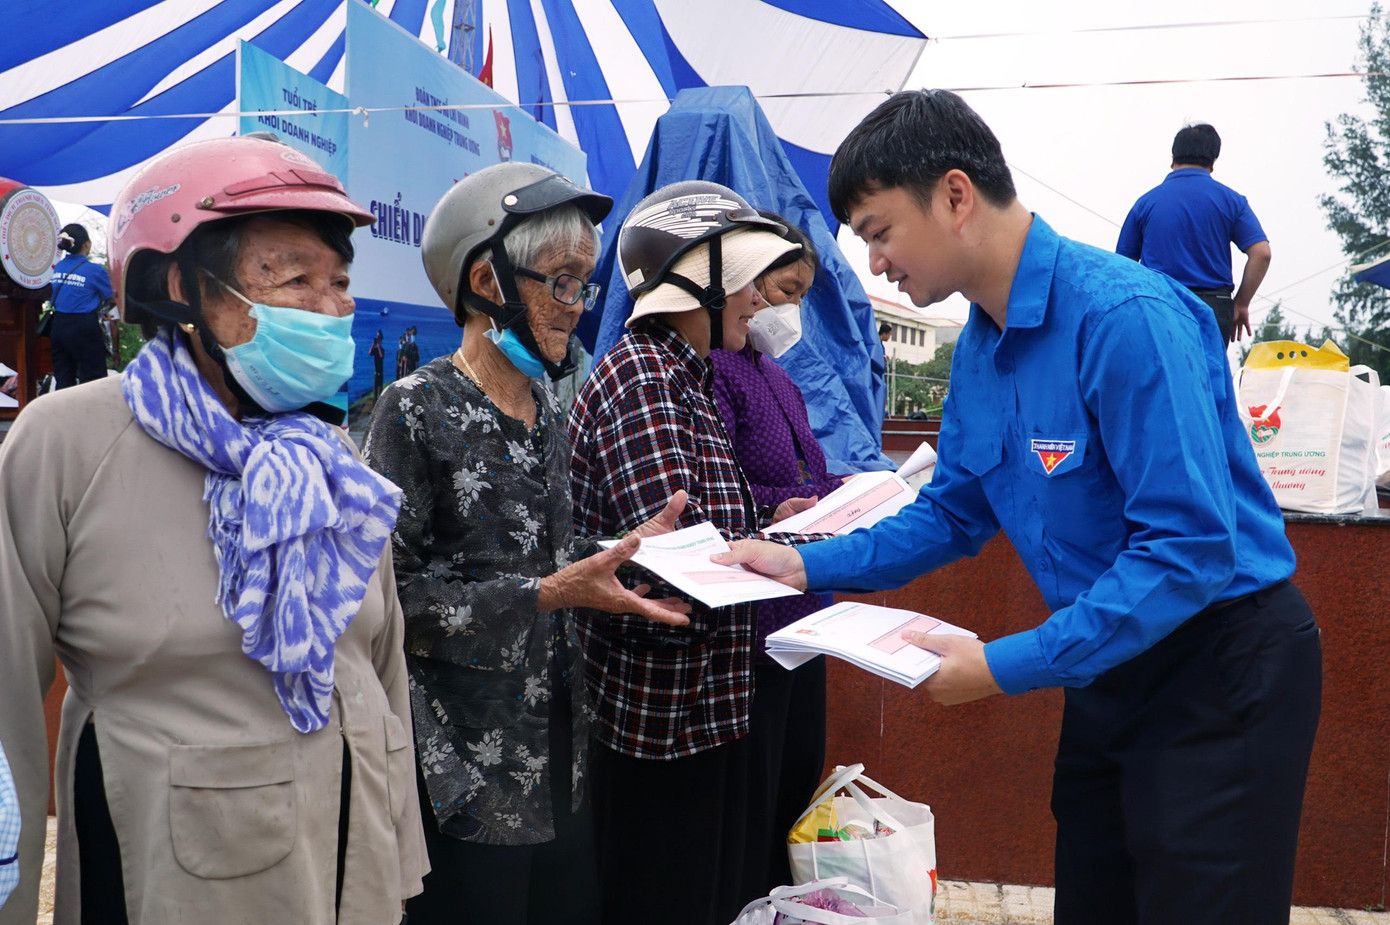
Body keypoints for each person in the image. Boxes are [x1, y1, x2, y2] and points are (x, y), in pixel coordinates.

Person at [716, 90, 1322, 925]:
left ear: (956, 196)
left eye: (880, 232)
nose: (877, 263)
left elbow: (1186, 551)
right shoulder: (981, 351)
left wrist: (1001, 665)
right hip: (1108, 662)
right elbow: (952, 514)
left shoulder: (1124, 318)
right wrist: (804, 561)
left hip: (1220, 666)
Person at [0, 136, 429, 925]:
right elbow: (5, 710)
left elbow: (378, 666)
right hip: (176, 883)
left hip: (349, 876)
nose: (333, 309)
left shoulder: (333, 459)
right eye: (294, 277)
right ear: (180, 286)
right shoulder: (66, 443)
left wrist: (400, 863)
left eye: (339, 282)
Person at [363, 162, 692, 925]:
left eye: (585, 283)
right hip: (466, 776)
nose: (578, 306)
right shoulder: (414, 407)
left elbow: (552, 552)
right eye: (563, 282)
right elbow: (388, 597)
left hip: (564, 762)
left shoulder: (549, 405)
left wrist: (626, 550)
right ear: (487, 279)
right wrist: (545, 593)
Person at [568, 181, 820, 925]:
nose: (754, 301)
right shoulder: (643, 374)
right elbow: (683, 554)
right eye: (741, 279)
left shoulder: (690, 376)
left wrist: (765, 518)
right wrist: (792, 542)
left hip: (703, 709)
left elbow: (708, 517)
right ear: (691, 281)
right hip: (662, 723)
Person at [708, 212, 840, 897]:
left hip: (804, 619)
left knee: (796, 778)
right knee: (753, 797)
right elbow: (715, 492)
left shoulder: (780, 377)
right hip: (753, 629)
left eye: (800, 296)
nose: (789, 310)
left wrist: (850, 494)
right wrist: (777, 508)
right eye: (783, 289)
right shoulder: (715, 370)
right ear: (743, 282)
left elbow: (803, 475)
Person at [1116, 123, 1271, 344]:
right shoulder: (1232, 201)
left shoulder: (1146, 203)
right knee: (1209, 377)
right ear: (1213, 162)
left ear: (1172, 159)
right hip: (1213, 308)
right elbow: (1262, 253)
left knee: (1165, 376)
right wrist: (1241, 303)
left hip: (1160, 305)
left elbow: (1123, 265)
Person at [48, 223, 114, 389]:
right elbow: (113, 296)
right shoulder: (93, 270)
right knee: (93, 381)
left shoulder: (58, 267)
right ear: (87, 244)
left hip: (59, 326)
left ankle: (63, 414)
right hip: (84, 327)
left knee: (63, 380)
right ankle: (92, 415)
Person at [369, 329, 386, 398]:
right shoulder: (375, 349)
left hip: (380, 372)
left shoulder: (382, 349)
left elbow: (381, 356)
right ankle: (375, 400)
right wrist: (373, 344)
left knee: (380, 389)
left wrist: (378, 346)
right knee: (375, 389)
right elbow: (370, 353)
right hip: (375, 372)